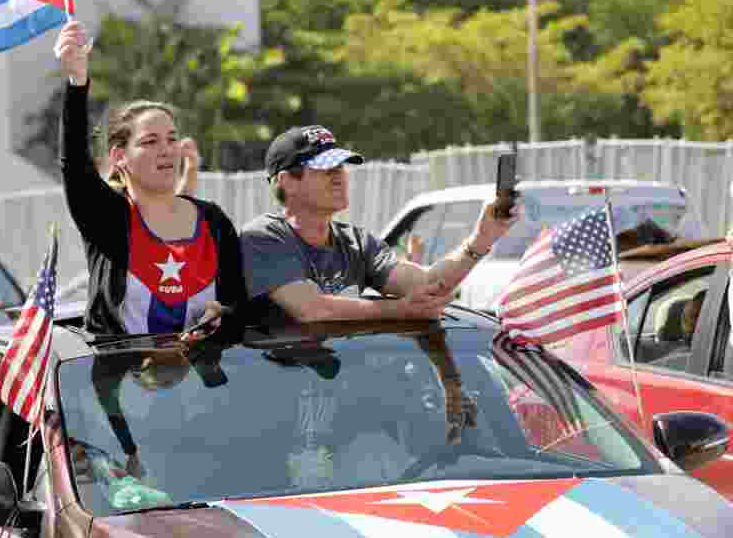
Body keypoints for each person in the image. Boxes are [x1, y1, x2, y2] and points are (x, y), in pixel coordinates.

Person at [55, 21, 247, 337]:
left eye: (172, 139)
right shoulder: (108, 218)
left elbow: (239, 308)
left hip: (203, 384)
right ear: (119, 157)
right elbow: (74, 163)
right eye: (150, 142)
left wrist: (223, 315)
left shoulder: (214, 221)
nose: (166, 150)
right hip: (124, 382)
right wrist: (77, 82)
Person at [240, 125, 519, 325]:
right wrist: (399, 310)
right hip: (274, 393)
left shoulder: (356, 242)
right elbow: (311, 309)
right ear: (288, 182)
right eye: (326, 169)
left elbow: (429, 285)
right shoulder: (262, 237)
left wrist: (482, 238)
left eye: (341, 167)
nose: (340, 177)